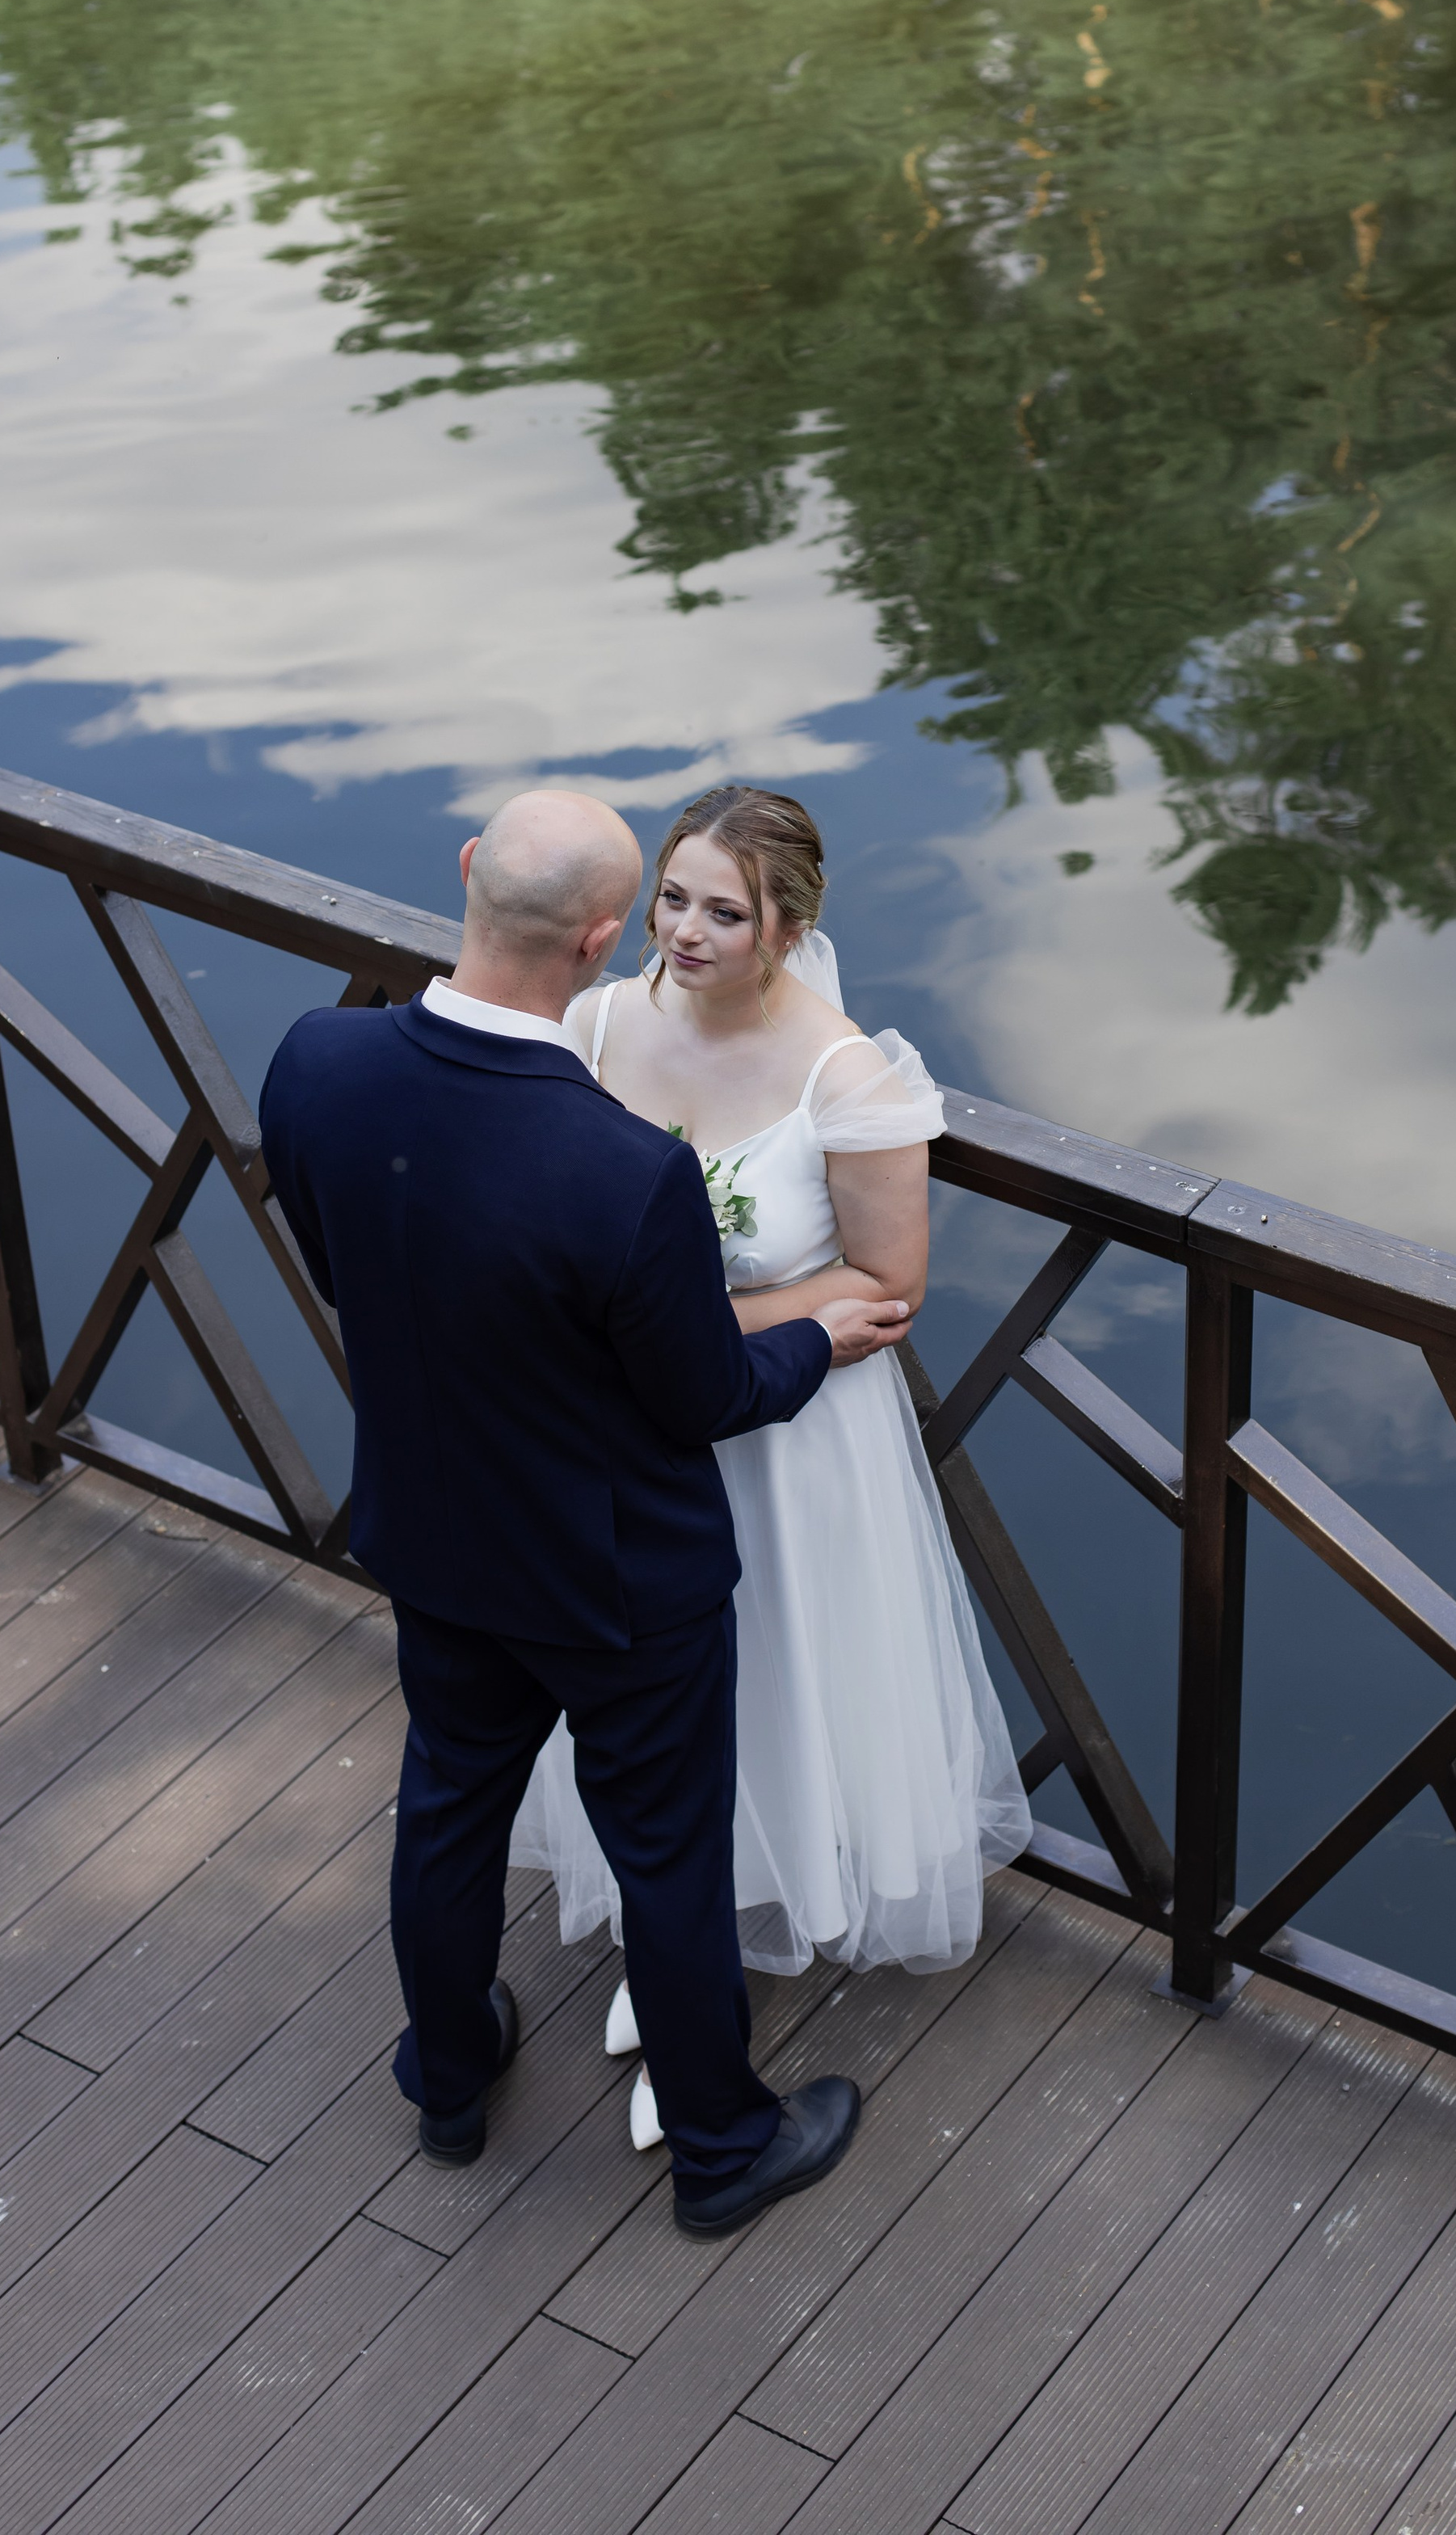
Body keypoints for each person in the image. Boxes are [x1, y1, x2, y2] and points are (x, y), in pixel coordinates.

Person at [258, 790, 912, 2237]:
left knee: (446, 1808)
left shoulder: (318, 1059)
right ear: (612, 938)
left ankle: (446, 2073)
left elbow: (348, 1263)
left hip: (433, 1530)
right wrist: (816, 1339)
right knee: (670, 1854)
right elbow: (697, 1398)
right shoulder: (622, 1172)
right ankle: (722, 2150)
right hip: (620, 1576)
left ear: (472, 873)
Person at [508, 785, 1032, 2151]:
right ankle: (670, 1954)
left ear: (788, 926)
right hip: (628, 1435)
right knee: (640, 1702)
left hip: (787, 1445)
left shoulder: (848, 1080)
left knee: (772, 1680)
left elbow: (887, 1286)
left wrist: (679, 1329)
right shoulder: (595, 1024)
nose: (680, 932)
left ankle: (718, 1971)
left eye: (721, 912)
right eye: (672, 898)